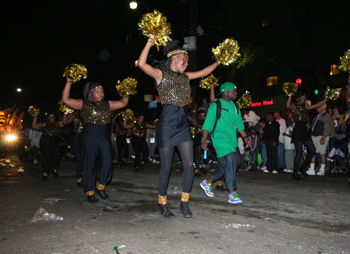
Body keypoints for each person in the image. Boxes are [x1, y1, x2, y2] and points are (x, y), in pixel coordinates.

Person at [138, 34, 219, 218]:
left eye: (188, 60)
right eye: (185, 58)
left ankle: (184, 203)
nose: (187, 62)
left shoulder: (186, 77)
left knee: (189, 164)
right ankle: (162, 203)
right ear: (175, 58)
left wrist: (220, 60)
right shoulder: (161, 75)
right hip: (167, 124)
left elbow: (205, 72)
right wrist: (151, 40)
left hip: (182, 124)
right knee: (166, 166)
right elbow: (142, 64)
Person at [62, 79, 129, 202]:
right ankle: (90, 191)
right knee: (90, 164)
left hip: (103, 136)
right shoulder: (84, 104)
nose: (101, 94)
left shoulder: (107, 104)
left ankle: (100, 186)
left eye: (102, 91)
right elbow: (66, 100)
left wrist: (126, 90)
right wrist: (69, 82)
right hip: (89, 137)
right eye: (97, 91)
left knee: (108, 162)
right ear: (91, 93)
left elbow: (123, 103)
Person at [200, 82, 250, 204]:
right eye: (234, 91)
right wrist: (204, 139)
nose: (236, 93)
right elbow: (207, 124)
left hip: (232, 140)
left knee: (235, 162)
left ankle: (208, 182)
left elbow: (239, 124)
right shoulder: (215, 105)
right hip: (219, 139)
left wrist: (245, 137)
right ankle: (232, 193)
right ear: (225, 92)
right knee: (231, 160)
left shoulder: (235, 106)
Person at [286, 92, 327, 180]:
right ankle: (295, 173)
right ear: (300, 98)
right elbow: (287, 105)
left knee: (312, 150)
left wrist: (327, 98)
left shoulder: (305, 107)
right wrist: (290, 95)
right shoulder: (295, 107)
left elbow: (318, 104)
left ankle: (303, 167)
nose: (306, 99)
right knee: (299, 152)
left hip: (304, 130)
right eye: (304, 97)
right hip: (298, 130)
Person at [32, 112, 65, 180]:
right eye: (52, 117)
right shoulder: (43, 124)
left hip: (54, 140)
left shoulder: (57, 124)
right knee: (46, 157)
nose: (53, 118)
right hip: (45, 140)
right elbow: (34, 126)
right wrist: (35, 116)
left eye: (54, 117)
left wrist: (65, 112)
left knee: (57, 156)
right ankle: (45, 173)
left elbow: (65, 122)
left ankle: (54, 169)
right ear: (48, 118)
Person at [307, 103, 333, 176]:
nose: (316, 108)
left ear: (323, 107)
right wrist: (312, 134)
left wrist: (324, 137)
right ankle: (312, 169)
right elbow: (313, 126)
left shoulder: (326, 116)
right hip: (315, 136)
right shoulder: (317, 116)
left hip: (321, 136)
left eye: (318, 107)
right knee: (312, 152)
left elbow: (328, 127)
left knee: (322, 153)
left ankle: (322, 169)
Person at [62, 113, 85, 187]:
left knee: (88, 161)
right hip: (78, 139)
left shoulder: (90, 113)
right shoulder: (76, 115)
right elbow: (65, 122)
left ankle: (87, 178)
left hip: (88, 137)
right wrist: (65, 112)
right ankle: (79, 179)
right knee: (80, 160)